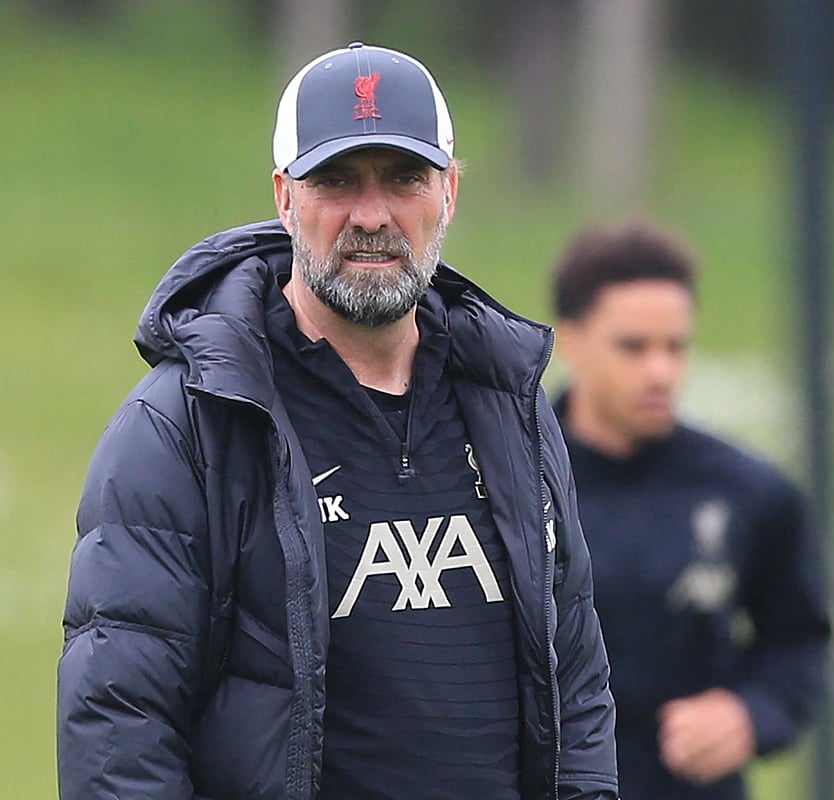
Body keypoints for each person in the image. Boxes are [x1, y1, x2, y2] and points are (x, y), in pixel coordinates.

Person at [58, 42, 617, 800]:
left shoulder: (507, 400)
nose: (372, 215)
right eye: (336, 181)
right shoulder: (185, 427)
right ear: (284, 196)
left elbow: (576, 676)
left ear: (449, 190)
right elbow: (118, 732)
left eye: (404, 178)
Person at [550, 222, 831, 800]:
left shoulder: (746, 491)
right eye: (634, 347)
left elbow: (800, 642)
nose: (660, 371)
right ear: (571, 342)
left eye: (675, 346)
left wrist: (750, 712)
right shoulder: (502, 480)